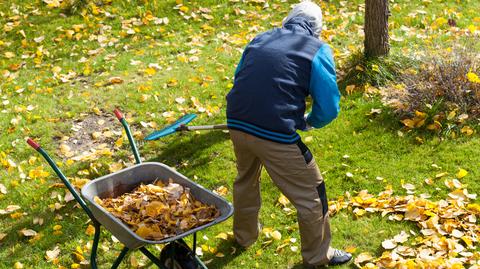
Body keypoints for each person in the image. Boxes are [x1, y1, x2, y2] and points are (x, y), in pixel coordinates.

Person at [226, 0, 352, 267]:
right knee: (312, 195)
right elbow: (328, 107)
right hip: (275, 133)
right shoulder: (317, 50)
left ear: (287, 20)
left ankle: (243, 236)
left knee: (246, 179)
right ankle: (318, 257)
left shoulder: (260, 39)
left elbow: (241, 77)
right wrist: (309, 122)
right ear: (318, 30)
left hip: (237, 121)